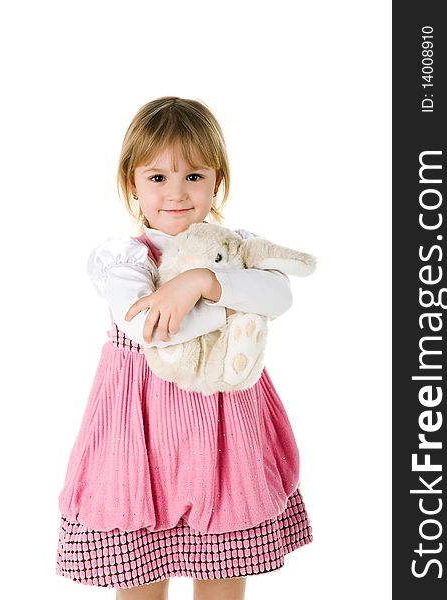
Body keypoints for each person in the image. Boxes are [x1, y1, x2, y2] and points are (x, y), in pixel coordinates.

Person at [56, 96, 313, 600]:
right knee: (141, 566)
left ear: (217, 180)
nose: (176, 193)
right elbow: (151, 329)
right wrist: (232, 301)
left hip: (223, 424)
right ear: (132, 183)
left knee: (222, 554)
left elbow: (279, 295)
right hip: (142, 426)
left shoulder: (234, 246)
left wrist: (202, 279)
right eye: (157, 178)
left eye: (193, 176)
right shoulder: (123, 258)